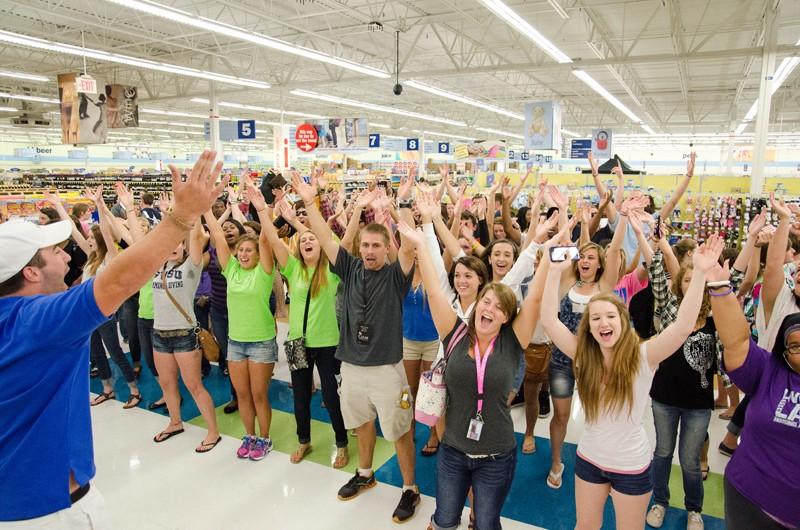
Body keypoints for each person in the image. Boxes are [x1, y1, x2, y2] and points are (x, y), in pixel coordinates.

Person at [0, 151, 227, 525]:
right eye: (55, 252)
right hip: (48, 510)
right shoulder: (40, 322)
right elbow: (117, 281)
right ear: (31, 273)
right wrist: (182, 216)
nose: (67, 258)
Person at [540, 232, 723, 529]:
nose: (603, 323)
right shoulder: (583, 355)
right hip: (589, 460)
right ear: (589, 328)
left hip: (631, 466)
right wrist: (553, 272)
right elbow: (549, 320)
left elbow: (682, 326)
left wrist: (700, 272)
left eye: (610, 316)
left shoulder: (643, 356)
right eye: (595, 318)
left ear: (623, 322)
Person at [398, 220, 544, 530]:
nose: (488, 308)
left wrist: (544, 247)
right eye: (485, 302)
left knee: (487, 522)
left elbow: (532, 299)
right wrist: (422, 241)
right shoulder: (454, 334)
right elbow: (436, 290)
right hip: (453, 451)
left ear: (506, 317)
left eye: (497, 305)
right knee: (445, 518)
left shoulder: (511, 342)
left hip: (496, 455)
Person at [293, 172, 421, 523]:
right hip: (350, 366)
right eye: (364, 246)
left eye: (376, 246)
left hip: (386, 370)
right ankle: (365, 473)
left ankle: (410, 488)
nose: (368, 251)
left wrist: (401, 206)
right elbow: (323, 236)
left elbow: (410, 245)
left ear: (386, 248)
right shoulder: (348, 269)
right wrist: (309, 202)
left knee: (398, 431)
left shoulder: (396, 276)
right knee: (361, 423)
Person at [258, 187, 350, 468]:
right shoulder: (293, 268)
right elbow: (273, 239)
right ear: (298, 245)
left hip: (326, 343)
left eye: (314, 238)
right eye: (304, 239)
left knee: (332, 398)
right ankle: (303, 440)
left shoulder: (332, 272)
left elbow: (334, 240)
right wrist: (264, 208)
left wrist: (303, 222)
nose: (309, 241)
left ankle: (342, 442)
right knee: (300, 396)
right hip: (297, 342)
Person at [704, 260, 800, 530]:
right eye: (795, 345)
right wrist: (720, 287)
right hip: (750, 499)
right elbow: (736, 342)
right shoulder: (770, 371)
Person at [545, 197, 629, 489]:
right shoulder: (568, 281)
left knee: (601, 416)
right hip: (560, 361)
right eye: (583, 256)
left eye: (592, 257)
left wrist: (624, 217)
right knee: (561, 415)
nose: (585, 260)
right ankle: (556, 461)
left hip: (597, 361)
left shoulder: (605, 286)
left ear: (600, 263)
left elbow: (616, 248)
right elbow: (567, 245)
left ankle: (603, 466)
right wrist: (566, 210)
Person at [645, 236, 719, 530]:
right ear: (680, 284)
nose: (691, 285)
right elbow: (656, 274)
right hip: (664, 397)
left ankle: (694, 509)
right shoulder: (671, 310)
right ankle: (660, 501)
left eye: (696, 280)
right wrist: (657, 242)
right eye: (686, 280)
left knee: (690, 460)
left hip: (698, 404)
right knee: (663, 452)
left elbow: (742, 280)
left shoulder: (716, 318)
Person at [203, 185, 277, 462]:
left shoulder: (265, 272)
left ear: (258, 254)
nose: (244, 254)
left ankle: (265, 438)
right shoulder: (231, 269)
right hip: (235, 343)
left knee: (259, 394)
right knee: (243, 394)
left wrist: (262, 209)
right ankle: (250, 435)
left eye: (250, 250)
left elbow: (268, 241)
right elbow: (217, 237)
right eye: (241, 250)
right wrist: (207, 208)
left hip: (261, 343)